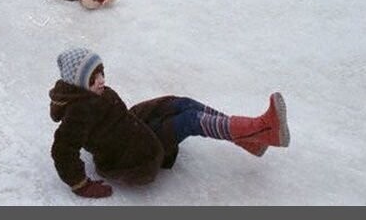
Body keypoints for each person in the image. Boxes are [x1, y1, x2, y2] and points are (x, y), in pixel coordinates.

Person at [49, 47, 290, 199]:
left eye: (101, 73)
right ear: (79, 83)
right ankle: (261, 130)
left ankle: (249, 139)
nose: (101, 81)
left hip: (129, 127)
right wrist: (80, 184)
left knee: (182, 103)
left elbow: (114, 117)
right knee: (189, 120)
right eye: (93, 78)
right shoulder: (79, 112)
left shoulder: (93, 94)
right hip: (129, 154)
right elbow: (62, 149)